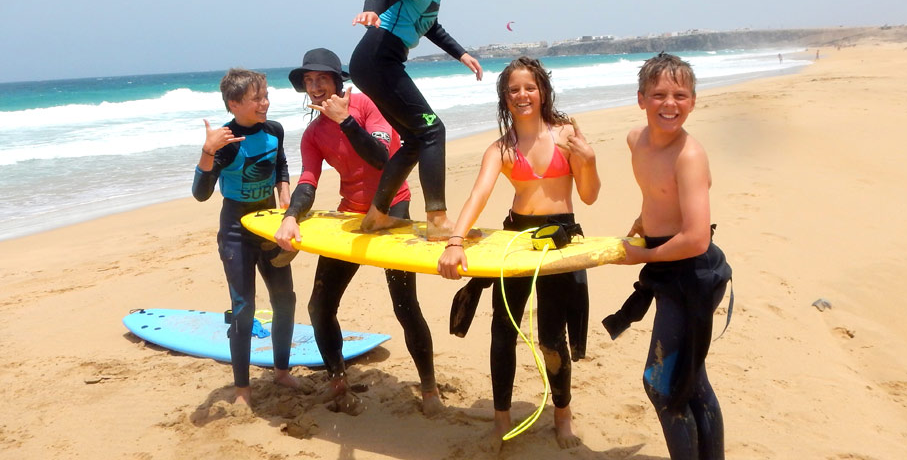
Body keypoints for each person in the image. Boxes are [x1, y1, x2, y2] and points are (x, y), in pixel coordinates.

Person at [436, 57, 600, 450]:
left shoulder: (566, 133)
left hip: (561, 240)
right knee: (502, 332)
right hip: (517, 239)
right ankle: (500, 421)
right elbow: (479, 194)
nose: (522, 95)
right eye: (514, 90)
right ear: (504, 98)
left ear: (542, 90)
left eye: (530, 87)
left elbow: (590, 196)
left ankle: (562, 416)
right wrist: (455, 240)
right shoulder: (501, 148)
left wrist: (588, 159)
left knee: (551, 337)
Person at [274, 49, 442, 416]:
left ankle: (429, 390)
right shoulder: (314, 133)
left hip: (392, 209)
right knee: (320, 306)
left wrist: (347, 120)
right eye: (309, 81)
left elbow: (384, 157)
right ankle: (338, 382)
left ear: (338, 81)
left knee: (405, 305)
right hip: (351, 215)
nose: (315, 88)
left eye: (322, 79)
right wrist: (291, 217)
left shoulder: (368, 106)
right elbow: (307, 180)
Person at [609, 52, 732, 460]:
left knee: (661, 383)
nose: (670, 103)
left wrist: (639, 257)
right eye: (659, 94)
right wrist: (643, 222)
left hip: (694, 275)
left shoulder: (690, 156)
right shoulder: (635, 140)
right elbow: (656, 194)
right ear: (641, 98)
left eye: (681, 95)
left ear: (693, 101)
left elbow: (696, 239)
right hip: (668, 267)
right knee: (691, 380)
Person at [349, 0, 484, 240]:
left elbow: (429, 24)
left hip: (379, 60)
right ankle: (437, 220)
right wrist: (371, 9)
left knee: (415, 139)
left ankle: (377, 217)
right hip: (378, 57)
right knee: (433, 131)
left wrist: (461, 53)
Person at [191, 68, 308, 406]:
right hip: (236, 231)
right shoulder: (224, 143)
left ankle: (281, 370)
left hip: (270, 226)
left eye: (266, 95)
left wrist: (284, 189)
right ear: (234, 103)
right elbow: (201, 194)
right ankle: (243, 389)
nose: (265, 103)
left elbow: (280, 162)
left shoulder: (274, 130)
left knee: (285, 299)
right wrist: (207, 152)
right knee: (244, 309)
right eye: (257, 98)